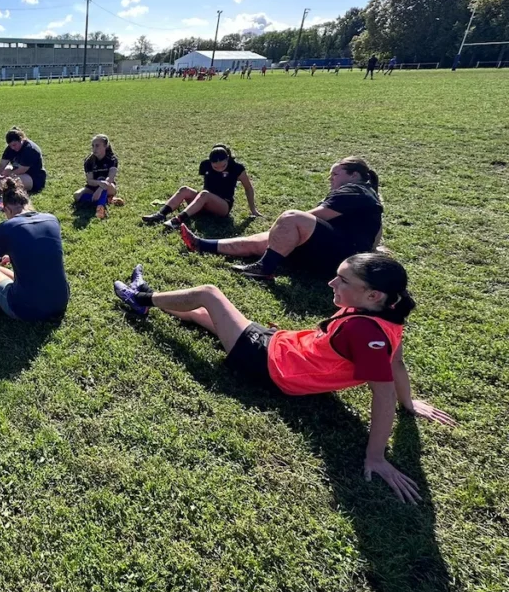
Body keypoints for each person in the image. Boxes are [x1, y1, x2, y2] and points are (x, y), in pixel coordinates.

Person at [112, 253, 456, 502]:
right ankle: (148, 302)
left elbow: (382, 395)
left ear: (372, 294)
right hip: (280, 347)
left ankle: (139, 296)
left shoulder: (367, 334)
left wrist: (377, 457)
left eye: (343, 280)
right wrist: (409, 401)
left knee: (209, 294)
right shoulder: (387, 314)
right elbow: (396, 362)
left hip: (268, 364)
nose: (331, 282)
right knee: (205, 315)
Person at [180, 157, 383, 281]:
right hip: (339, 254)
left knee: (290, 218)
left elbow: (313, 217)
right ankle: (202, 244)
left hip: (340, 258)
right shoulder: (366, 194)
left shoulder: (355, 190)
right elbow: (376, 234)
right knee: (265, 239)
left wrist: (282, 228)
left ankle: (264, 269)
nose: (331, 178)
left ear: (354, 175)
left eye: (335, 174)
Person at [0, 177, 70, 321]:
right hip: (60, 301)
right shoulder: (51, 219)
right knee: (3, 270)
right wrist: (13, 255)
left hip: (26, 309)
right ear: (27, 202)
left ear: (7, 209)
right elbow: (41, 250)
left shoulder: (5, 228)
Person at [143, 145, 260, 229]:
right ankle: (161, 214)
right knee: (184, 189)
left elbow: (248, 188)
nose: (220, 169)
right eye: (216, 167)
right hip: (204, 201)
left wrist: (253, 210)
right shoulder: (205, 165)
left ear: (228, 159)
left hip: (222, 206)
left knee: (204, 194)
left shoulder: (237, 168)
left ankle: (178, 220)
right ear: (210, 162)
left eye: (223, 166)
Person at [74, 134, 121, 219]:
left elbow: (110, 178)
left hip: (109, 187)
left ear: (105, 146)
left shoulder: (112, 159)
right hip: (92, 187)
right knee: (77, 196)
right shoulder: (89, 160)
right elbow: (90, 181)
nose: (94, 149)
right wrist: (99, 183)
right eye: (93, 146)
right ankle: (108, 200)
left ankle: (100, 209)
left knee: (103, 180)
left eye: (97, 146)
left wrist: (100, 188)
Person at [0, 127, 47, 193]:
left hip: (33, 177)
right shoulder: (10, 148)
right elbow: (1, 165)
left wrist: (4, 177)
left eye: (14, 145)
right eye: (10, 146)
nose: (12, 148)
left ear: (21, 140)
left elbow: (22, 170)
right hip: (16, 171)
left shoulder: (30, 150)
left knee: (9, 182)